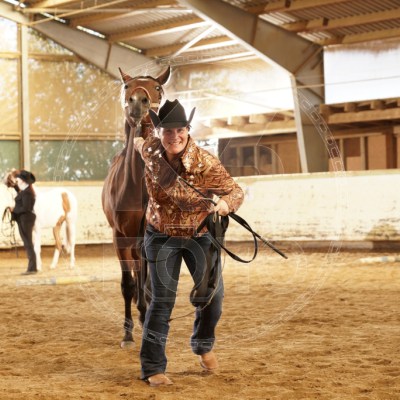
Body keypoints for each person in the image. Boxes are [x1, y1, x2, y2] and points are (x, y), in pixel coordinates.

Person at [134, 99, 244, 387]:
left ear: (188, 130)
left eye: (180, 130)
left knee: (213, 298)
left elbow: (235, 191)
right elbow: (139, 141)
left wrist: (225, 204)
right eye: (167, 131)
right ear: (158, 132)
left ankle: (203, 344)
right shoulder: (150, 150)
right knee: (161, 301)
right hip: (160, 235)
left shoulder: (206, 163)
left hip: (200, 235)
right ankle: (152, 366)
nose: (174, 136)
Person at [10, 170, 38, 275]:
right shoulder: (25, 191)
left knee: (28, 243)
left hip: (26, 219)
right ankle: (32, 267)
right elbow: (20, 195)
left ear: (23, 181)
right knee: (27, 243)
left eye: (19, 178)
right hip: (24, 219)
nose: (17, 180)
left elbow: (26, 208)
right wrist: (14, 186)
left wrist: (14, 210)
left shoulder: (27, 193)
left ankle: (32, 268)